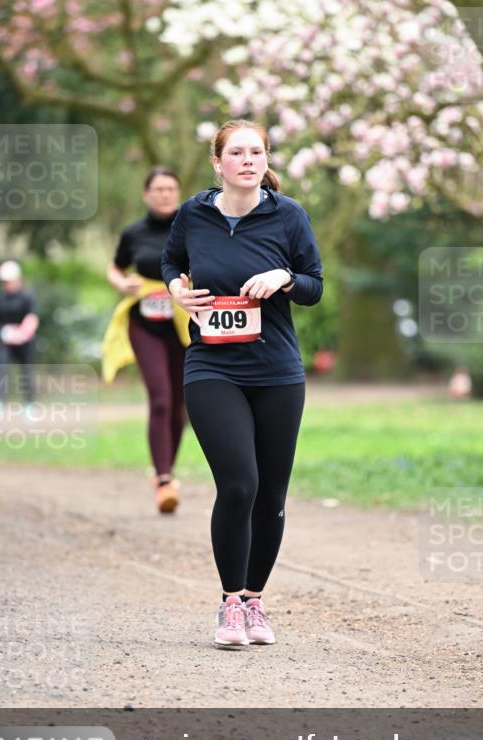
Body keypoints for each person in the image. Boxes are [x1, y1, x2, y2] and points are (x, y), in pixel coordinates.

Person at [161, 119, 323, 648]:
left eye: (257, 152)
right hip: (212, 366)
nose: (248, 160)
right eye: (237, 152)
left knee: (271, 494)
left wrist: (285, 278)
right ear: (218, 163)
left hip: (277, 370)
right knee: (239, 484)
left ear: (266, 160)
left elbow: (314, 286)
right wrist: (176, 292)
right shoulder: (194, 214)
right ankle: (230, 605)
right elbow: (172, 260)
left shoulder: (288, 215)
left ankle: (255, 601)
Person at [106, 167, 190, 514]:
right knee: (160, 397)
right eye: (157, 189)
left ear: (178, 192)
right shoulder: (133, 232)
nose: (164, 194)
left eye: (170, 188)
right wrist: (120, 283)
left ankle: (164, 473)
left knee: (181, 406)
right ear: (146, 194)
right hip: (144, 323)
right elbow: (115, 266)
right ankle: (165, 479)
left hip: (184, 323)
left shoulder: (191, 227)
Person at [0, 260, 39, 418]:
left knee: (26, 373)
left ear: (16, 279)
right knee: (1, 369)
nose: (5, 284)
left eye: (7, 281)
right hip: (5, 343)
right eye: (3, 282)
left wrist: (20, 334)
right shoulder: (0, 298)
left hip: (24, 343)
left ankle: (30, 406)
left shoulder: (27, 296)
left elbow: (32, 319)